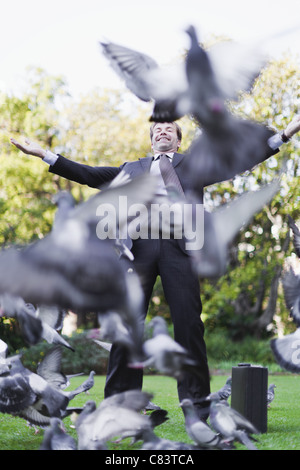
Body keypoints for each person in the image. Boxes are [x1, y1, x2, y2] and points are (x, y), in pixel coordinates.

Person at [11, 116, 300, 419]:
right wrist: (43, 153)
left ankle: (197, 402)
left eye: (170, 130)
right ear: (151, 140)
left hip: (181, 249)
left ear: (178, 141)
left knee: (189, 325)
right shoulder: (130, 170)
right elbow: (88, 174)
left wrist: (286, 133)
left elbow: (238, 163)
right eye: (157, 129)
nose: (163, 131)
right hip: (138, 250)